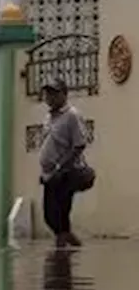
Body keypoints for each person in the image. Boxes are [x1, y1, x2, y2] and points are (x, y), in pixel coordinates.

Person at [38, 77, 92, 248]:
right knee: (50, 216)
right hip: (50, 174)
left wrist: (61, 168)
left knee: (58, 214)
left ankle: (62, 255)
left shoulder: (72, 116)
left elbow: (79, 145)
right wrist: (46, 171)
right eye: (47, 93)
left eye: (54, 93)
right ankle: (69, 247)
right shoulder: (48, 117)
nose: (49, 97)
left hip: (66, 172)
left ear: (64, 94)